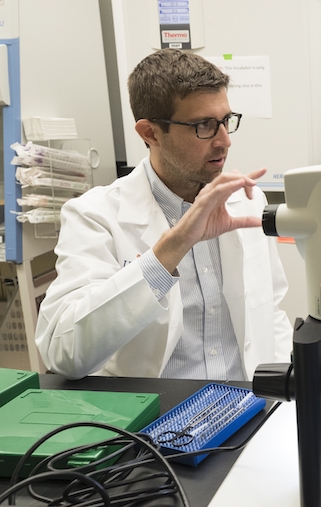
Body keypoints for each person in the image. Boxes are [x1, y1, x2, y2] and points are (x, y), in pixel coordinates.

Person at [35, 48, 292, 381]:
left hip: (249, 407)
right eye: (204, 126)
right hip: (156, 421)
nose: (224, 141)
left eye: (226, 121)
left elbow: (271, 309)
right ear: (150, 133)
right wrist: (171, 249)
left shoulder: (247, 199)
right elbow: (64, 353)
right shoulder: (94, 216)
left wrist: (287, 393)